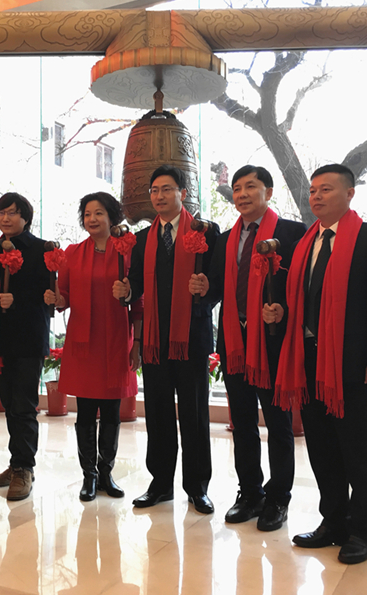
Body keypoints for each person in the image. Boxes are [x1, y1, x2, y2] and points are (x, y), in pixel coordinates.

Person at [270, 164, 367, 564]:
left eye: (326, 189)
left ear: (349, 194)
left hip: (355, 361)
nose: (316, 196)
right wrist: (281, 313)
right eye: (313, 190)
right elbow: (303, 300)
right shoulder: (305, 244)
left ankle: (361, 529)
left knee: (357, 448)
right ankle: (333, 522)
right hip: (309, 359)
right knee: (322, 446)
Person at [202, 165, 306, 530]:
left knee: (278, 424)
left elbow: (303, 286)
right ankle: (249, 493)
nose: (242, 194)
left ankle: (278, 498)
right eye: (237, 189)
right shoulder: (225, 239)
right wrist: (204, 289)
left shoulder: (292, 233)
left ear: (269, 192)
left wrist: (284, 309)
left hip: (274, 342)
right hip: (235, 341)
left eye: (250, 187)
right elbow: (217, 289)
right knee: (242, 422)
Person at [112, 165, 220, 514]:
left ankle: (197, 487)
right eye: (155, 190)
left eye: (167, 189)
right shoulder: (142, 239)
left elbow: (217, 283)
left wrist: (207, 290)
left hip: (191, 338)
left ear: (182, 194)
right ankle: (160, 484)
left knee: (194, 414)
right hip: (156, 340)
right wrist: (127, 291)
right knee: (158, 414)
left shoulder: (206, 232)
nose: (159, 196)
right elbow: (136, 285)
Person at [44, 192, 143, 502]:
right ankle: (89, 475)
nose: (92, 219)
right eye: (87, 214)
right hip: (83, 344)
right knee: (86, 412)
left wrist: (138, 343)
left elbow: (138, 301)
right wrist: (56, 299)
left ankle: (106, 472)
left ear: (112, 216)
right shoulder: (72, 254)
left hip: (116, 340)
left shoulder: (127, 251)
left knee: (112, 411)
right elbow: (64, 296)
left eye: (98, 213)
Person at [0, 192, 50, 501]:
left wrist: (16, 299)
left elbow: (49, 298)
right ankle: (16, 462)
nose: (5, 218)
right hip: (1, 341)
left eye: (12, 213)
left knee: (24, 406)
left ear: (25, 218)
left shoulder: (41, 250)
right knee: (8, 404)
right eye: (1, 213)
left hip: (28, 339)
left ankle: (25, 468)